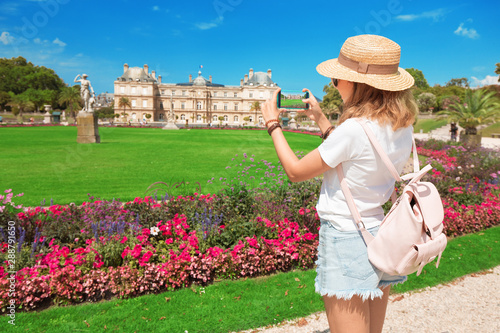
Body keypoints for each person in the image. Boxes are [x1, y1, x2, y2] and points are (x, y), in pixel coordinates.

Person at [260, 34, 417, 333]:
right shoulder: (402, 126)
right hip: (380, 232)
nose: (334, 82)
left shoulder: (353, 130)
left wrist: (273, 124)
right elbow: (358, 155)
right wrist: (321, 120)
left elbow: (295, 171)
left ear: (358, 84)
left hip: (347, 238)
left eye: (337, 78)